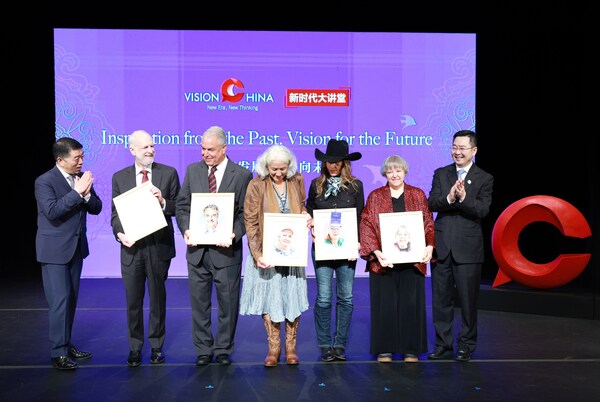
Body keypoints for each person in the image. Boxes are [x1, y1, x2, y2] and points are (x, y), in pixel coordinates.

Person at [176, 126, 252, 366]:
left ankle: (223, 348)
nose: (205, 154)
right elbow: (182, 206)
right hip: (197, 252)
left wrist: (234, 233)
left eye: (210, 149)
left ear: (224, 149)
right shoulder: (193, 171)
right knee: (199, 304)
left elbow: (245, 214)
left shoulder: (241, 175)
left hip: (226, 252)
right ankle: (203, 348)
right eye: (202, 149)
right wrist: (186, 229)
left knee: (228, 303)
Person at [111, 130, 181, 367]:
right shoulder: (119, 178)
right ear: (132, 150)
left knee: (157, 299)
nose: (150, 150)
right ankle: (134, 347)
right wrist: (120, 234)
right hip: (132, 249)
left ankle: (156, 346)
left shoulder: (168, 173)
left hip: (159, 246)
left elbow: (179, 207)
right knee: (133, 300)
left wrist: (163, 201)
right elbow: (115, 215)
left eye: (152, 146)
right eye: (145, 147)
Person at [240, 145, 312, 367]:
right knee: (270, 299)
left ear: (289, 166)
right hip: (267, 253)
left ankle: (291, 347)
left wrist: (305, 216)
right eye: (274, 169)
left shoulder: (296, 180)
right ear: (266, 166)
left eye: (282, 168)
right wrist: (257, 253)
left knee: (291, 297)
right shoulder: (256, 184)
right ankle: (274, 348)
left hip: (291, 252)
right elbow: (250, 221)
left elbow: (301, 206)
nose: (279, 173)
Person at [34, 137, 103, 370]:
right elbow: (52, 211)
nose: (81, 161)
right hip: (53, 252)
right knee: (60, 301)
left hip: (75, 249)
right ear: (60, 160)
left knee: (71, 300)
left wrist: (84, 194)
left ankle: (66, 344)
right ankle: (58, 353)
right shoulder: (44, 181)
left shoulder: (79, 179)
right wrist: (77, 192)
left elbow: (96, 208)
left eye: (82, 156)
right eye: (77, 158)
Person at [359, 155, 434, 363]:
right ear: (385, 173)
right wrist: (376, 252)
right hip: (385, 262)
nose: (394, 174)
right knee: (385, 305)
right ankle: (385, 349)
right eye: (390, 171)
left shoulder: (417, 195)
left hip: (412, 261)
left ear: (405, 172)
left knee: (411, 305)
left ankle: (411, 349)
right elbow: (366, 225)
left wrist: (429, 245)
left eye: (398, 170)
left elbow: (427, 222)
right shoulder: (375, 196)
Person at [427, 129, 494, 362]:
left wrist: (464, 198)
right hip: (442, 246)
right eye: (455, 147)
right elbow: (432, 202)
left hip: (468, 250)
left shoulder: (484, 178)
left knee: (467, 301)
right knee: (441, 300)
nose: (457, 151)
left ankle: (466, 344)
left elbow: (483, 210)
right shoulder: (441, 173)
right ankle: (443, 344)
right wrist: (450, 198)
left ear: (473, 150)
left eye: (462, 148)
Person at [306, 139, 364, 362]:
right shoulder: (315, 184)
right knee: (323, 298)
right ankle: (324, 345)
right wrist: (308, 218)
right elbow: (309, 208)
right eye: (329, 161)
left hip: (346, 249)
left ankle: (339, 345)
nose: (332, 165)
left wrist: (357, 244)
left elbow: (360, 216)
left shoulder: (355, 186)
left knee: (346, 298)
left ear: (344, 163)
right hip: (322, 247)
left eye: (336, 161)